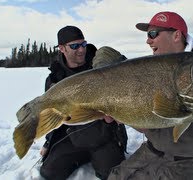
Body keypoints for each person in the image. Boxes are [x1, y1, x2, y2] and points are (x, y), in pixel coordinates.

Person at [107, 11, 193, 180]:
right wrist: (125, 114)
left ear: (176, 35)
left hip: (192, 158)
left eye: (153, 34)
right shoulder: (150, 70)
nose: (148, 40)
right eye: (148, 35)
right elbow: (150, 123)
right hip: (154, 150)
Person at [39, 25, 127, 180]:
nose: (81, 50)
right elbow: (52, 112)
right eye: (75, 46)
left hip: (104, 135)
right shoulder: (55, 78)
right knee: (49, 172)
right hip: (73, 138)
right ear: (62, 48)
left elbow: (126, 71)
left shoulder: (101, 64)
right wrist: (48, 143)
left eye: (83, 44)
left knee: (112, 175)